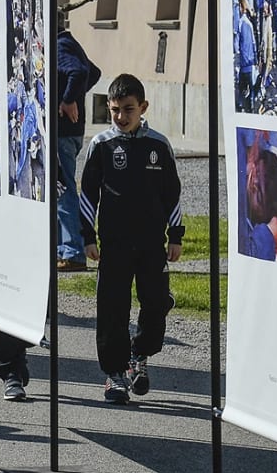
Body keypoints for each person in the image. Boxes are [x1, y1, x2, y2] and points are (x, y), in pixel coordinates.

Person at [79, 74, 184, 404]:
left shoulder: (158, 145)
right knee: (113, 307)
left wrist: (175, 235)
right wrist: (88, 236)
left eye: (128, 110)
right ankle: (115, 374)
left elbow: (173, 194)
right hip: (114, 243)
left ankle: (140, 357)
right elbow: (87, 195)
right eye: (114, 111)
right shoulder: (102, 145)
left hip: (152, 243)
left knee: (155, 303)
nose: (121, 117)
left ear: (143, 107)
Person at [56, 22, 102, 271]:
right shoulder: (71, 43)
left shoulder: (60, 46)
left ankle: (72, 252)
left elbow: (80, 73)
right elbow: (93, 72)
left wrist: (68, 100)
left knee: (62, 190)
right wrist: (74, 97)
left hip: (62, 131)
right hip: (71, 131)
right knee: (60, 188)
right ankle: (63, 248)